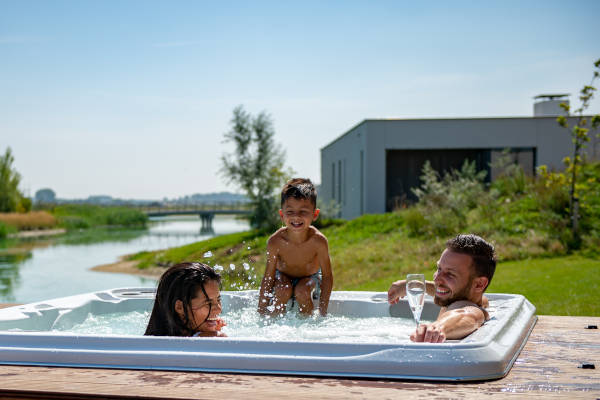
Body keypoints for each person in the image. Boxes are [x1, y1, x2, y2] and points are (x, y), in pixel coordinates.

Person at [388, 234, 495, 343]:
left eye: (450, 274)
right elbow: (447, 290)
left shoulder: (471, 309)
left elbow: (467, 315)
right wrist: (417, 284)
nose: (437, 279)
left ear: (479, 284)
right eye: (439, 269)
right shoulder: (475, 299)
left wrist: (438, 327)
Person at [257, 178, 333, 316]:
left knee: (302, 291)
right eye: (290, 212)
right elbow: (268, 276)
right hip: (283, 277)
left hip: (310, 279)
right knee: (282, 289)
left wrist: (323, 310)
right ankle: (275, 328)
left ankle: (306, 329)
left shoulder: (318, 241)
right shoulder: (275, 242)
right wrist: (261, 309)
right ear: (282, 215)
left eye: (303, 212)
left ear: (315, 214)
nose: (296, 217)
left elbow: (327, 276)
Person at [145, 262, 227, 337]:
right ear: (180, 307)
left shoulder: (152, 339)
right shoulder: (217, 337)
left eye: (218, 300)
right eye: (208, 303)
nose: (218, 309)